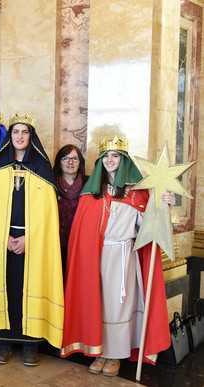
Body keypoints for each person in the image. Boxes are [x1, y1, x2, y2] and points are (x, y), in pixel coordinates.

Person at [60, 135, 174, 377]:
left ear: (123, 161)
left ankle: (115, 356)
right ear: (100, 162)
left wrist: (164, 204)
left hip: (124, 256)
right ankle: (100, 351)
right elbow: (83, 231)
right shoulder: (91, 194)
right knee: (99, 304)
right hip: (97, 258)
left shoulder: (137, 192)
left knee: (119, 306)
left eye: (115, 156)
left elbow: (151, 226)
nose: (110, 160)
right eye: (106, 157)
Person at [0, 113, 64, 367]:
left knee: (31, 287)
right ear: (10, 136)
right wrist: (1, 237)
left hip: (32, 243)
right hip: (3, 243)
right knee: (6, 287)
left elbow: (49, 216)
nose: (19, 137)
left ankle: (30, 345)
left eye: (24, 132)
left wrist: (30, 238)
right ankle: (3, 341)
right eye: (15, 132)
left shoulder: (42, 170)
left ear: (31, 137)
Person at [52, 144, 87, 276]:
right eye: (65, 158)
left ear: (80, 162)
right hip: (55, 244)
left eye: (74, 159)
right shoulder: (50, 184)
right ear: (59, 162)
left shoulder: (89, 184)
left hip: (81, 245)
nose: (70, 162)